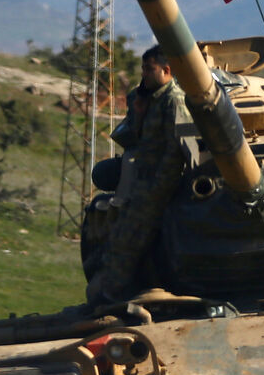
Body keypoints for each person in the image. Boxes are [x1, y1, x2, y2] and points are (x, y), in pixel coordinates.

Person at [83, 44, 194, 305]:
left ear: (166, 70)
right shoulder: (149, 98)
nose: (143, 73)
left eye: (149, 69)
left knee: (127, 241)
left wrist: (158, 190)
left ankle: (112, 295)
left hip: (158, 186)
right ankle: (113, 293)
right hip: (141, 181)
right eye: (143, 68)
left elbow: (175, 151)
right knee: (119, 237)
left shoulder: (174, 101)